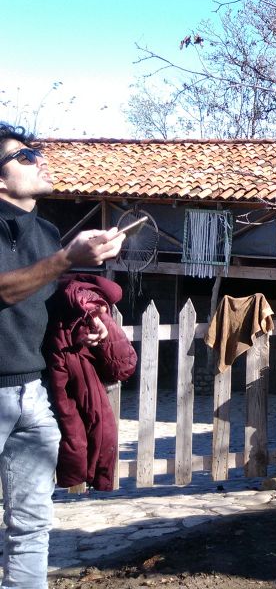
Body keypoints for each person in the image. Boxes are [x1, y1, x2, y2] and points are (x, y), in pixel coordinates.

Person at [0, 123, 123, 588]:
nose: (39, 158)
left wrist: (86, 325)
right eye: (25, 157)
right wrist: (67, 259)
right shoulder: (58, 245)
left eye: (37, 151)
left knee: (31, 524)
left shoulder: (47, 229)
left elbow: (44, 301)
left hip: (35, 394)